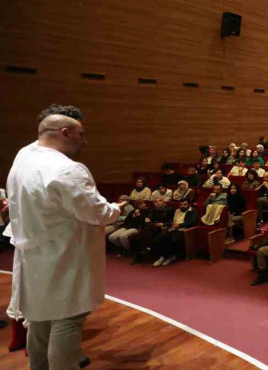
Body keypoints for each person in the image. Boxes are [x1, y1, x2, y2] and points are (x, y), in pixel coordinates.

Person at [5, 105, 127, 370]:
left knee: (39, 317)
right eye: (81, 133)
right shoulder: (67, 170)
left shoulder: (24, 155)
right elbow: (98, 213)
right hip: (65, 256)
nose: (85, 140)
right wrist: (117, 208)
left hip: (33, 255)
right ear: (65, 133)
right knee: (67, 319)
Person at [151, 199, 198, 267]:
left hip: (184, 230)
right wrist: (163, 224)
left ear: (188, 204)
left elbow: (192, 222)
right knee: (162, 237)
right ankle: (167, 256)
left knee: (172, 239)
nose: (182, 206)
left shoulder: (193, 211)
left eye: (184, 204)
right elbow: (172, 221)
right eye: (181, 205)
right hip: (173, 229)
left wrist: (179, 225)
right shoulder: (177, 210)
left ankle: (165, 257)